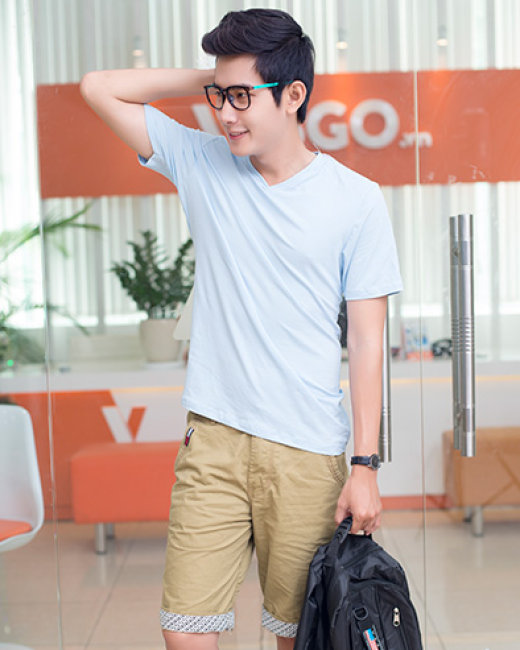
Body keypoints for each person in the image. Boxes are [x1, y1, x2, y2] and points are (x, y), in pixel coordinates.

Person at [80, 8, 403, 650]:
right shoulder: (200, 162)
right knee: (184, 631)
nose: (226, 114)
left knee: (296, 636)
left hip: (306, 451)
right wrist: (218, 76)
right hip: (214, 442)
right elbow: (97, 87)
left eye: (242, 97)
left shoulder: (356, 199)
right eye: (219, 96)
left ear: (294, 95)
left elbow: (366, 342)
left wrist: (364, 465)